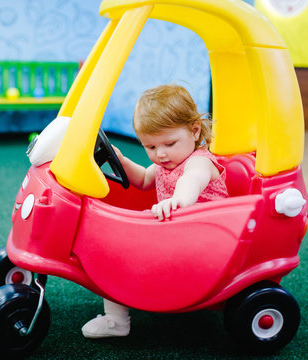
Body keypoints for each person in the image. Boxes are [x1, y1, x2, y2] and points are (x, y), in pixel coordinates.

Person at [81, 84, 229, 339]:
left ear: (194, 131)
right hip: (179, 236)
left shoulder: (199, 162)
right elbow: (144, 180)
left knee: (116, 255)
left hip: (205, 242)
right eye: (150, 147)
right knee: (112, 245)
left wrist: (179, 201)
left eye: (169, 143)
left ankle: (116, 321)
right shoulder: (166, 163)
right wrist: (123, 162)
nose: (160, 154)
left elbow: (191, 181)